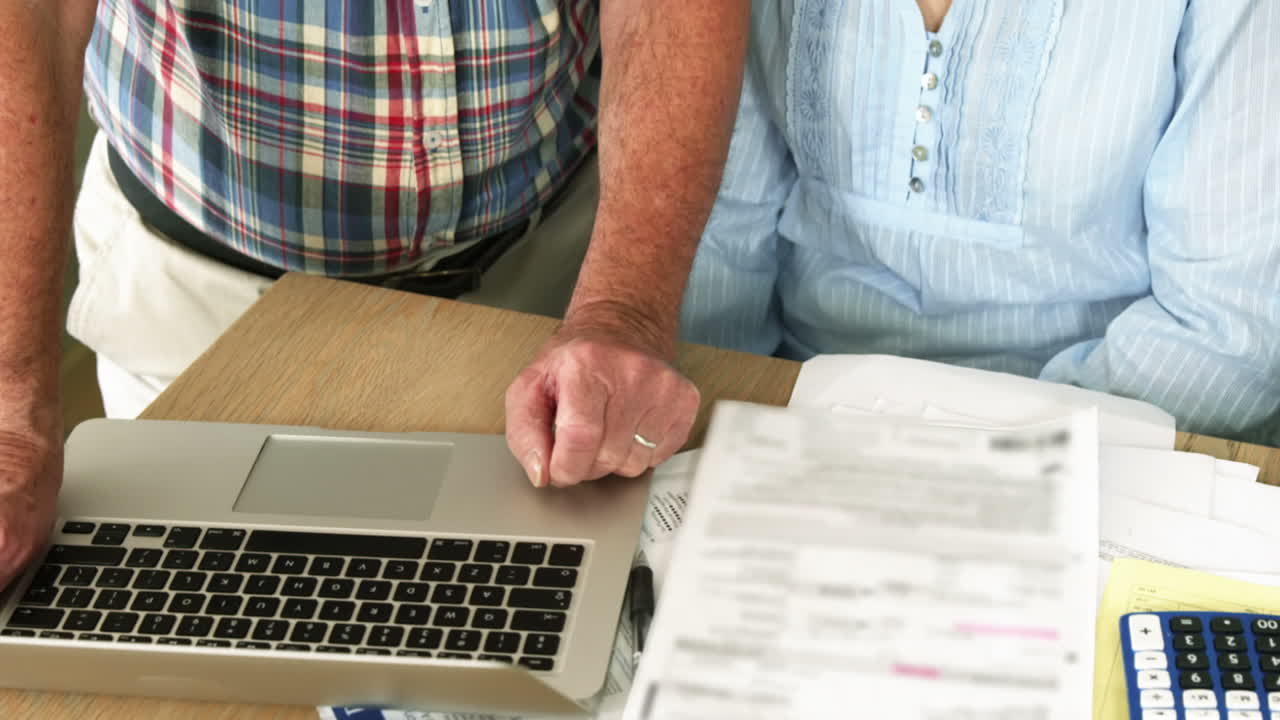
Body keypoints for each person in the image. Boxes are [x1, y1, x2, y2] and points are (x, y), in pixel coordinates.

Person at [0, 1, 747, 591]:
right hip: (204, 301)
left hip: (554, 292)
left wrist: (624, 309)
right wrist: (11, 403)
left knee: (552, 635)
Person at [681, 0, 1280, 444]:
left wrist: (991, 471)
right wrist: (717, 430)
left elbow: (1227, 327)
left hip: (1103, 443)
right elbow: (720, 235)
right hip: (791, 418)